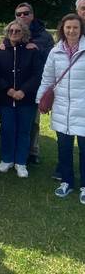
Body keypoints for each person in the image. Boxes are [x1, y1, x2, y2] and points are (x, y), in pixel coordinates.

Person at [36, 13, 85, 203]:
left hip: (82, 109)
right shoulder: (55, 51)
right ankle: (66, 181)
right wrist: (41, 100)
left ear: (81, 29)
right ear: (62, 29)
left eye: (75, 27)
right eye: (68, 27)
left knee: (84, 150)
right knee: (63, 148)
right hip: (62, 108)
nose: (71, 31)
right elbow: (47, 78)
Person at [0, 20, 42, 178]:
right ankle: (7, 159)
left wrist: (23, 91)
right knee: (7, 130)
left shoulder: (31, 51)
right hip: (6, 99)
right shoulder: (0, 51)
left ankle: (21, 162)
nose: (14, 33)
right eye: (11, 31)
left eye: (18, 31)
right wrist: (9, 90)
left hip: (26, 99)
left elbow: (37, 75)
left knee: (24, 131)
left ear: (24, 33)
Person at [14, 2, 54, 165]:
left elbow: (51, 61)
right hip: (15, 84)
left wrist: (36, 49)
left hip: (35, 84)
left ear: (32, 15)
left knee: (33, 121)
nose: (22, 16)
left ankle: (32, 151)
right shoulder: (12, 31)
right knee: (15, 118)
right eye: (19, 14)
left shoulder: (44, 36)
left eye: (26, 13)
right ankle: (15, 148)